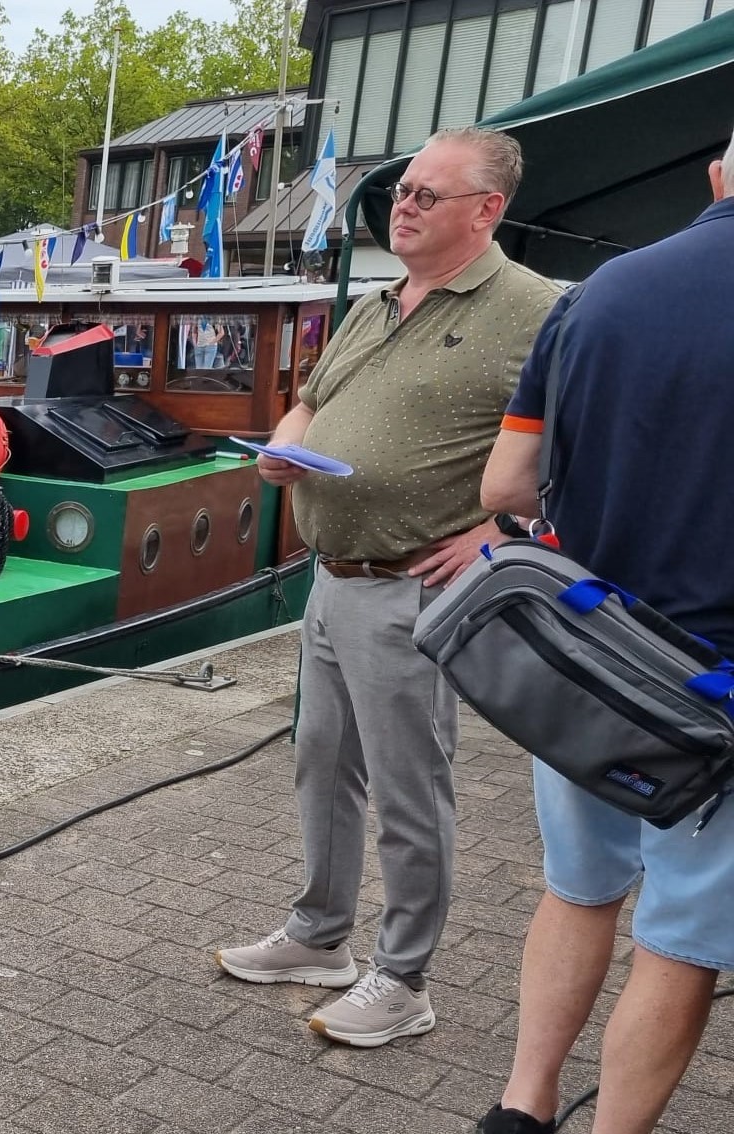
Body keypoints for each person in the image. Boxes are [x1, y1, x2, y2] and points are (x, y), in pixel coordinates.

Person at [214, 127, 561, 1047]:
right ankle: (320, 935)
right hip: (332, 577)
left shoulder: (537, 312)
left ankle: (404, 979)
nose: (402, 206)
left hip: (415, 585)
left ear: (487, 210)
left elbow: (590, 442)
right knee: (322, 760)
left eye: (426, 195)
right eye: (403, 190)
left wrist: (502, 534)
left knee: (410, 786)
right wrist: (286, 445)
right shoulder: (375, 304)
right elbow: (311, 398)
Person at [468, 136, 734, 1134]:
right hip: (716, 696)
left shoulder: (598, 294)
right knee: (680, 943)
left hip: (590, 660)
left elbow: (506, 486)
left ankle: (523, 1105)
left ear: (716, 175)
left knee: (578, 891)